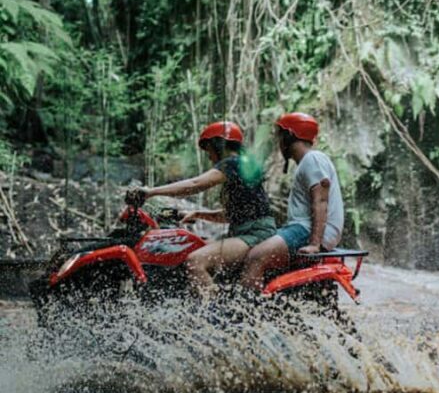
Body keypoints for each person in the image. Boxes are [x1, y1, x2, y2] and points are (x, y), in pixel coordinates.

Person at [128, 121, 275, 295]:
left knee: (195, 261)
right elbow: (233, 215)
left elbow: (195, 184)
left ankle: (211, 317)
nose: (209, 157)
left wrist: (150, 192)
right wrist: (198, 213)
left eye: (209, 150)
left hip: (255, 235)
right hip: (249, 232)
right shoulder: (242, 166)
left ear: (219, 145)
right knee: (194, 247)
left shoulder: (233, 163)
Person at [241, 112, 344, 290]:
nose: (279, 143)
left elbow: (320, 200)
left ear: (289, 136)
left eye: (280, 137)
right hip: (303, 228)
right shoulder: (307, 162)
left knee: (256, 256)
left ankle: (248, 312)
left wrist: (314, 244)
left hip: (306, 230)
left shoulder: (312, 159)